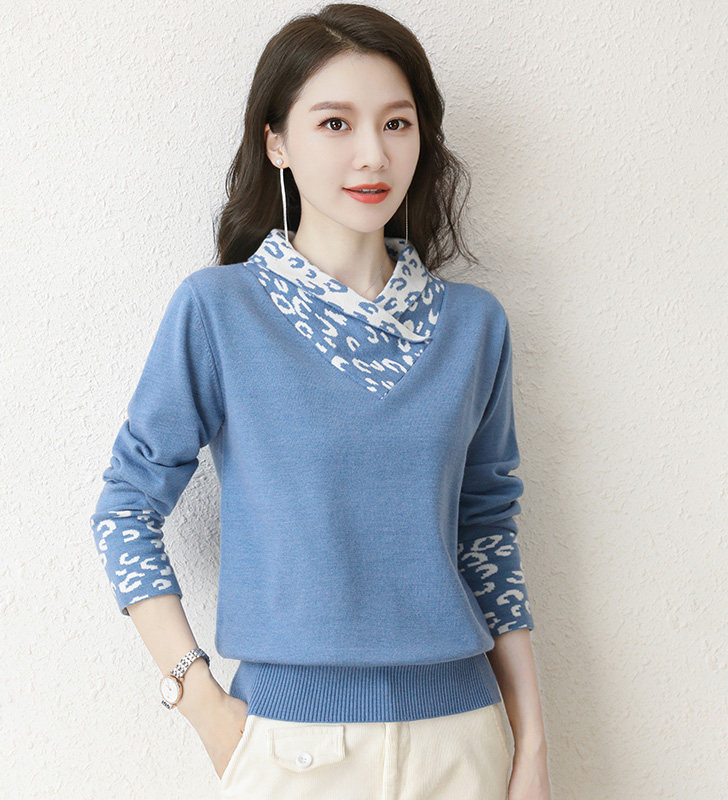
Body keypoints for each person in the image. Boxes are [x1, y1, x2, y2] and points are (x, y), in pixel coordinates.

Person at [90, 4, 551, 799]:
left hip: (463, 740)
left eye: (397, 123)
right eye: (335, 124)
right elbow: (125, 508)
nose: (373, 153)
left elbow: (487, 532)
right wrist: (202, 703)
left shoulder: (474, 326)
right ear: (276, 141)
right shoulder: (219, 312)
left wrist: (532, 741)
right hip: (287, 748)